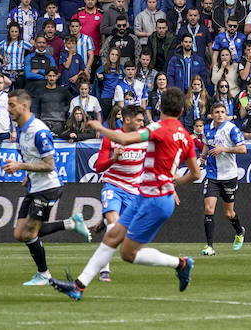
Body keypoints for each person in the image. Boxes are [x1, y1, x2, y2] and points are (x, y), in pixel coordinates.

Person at [51, 88, 200, 299]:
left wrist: (99, 127)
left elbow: (125, 140)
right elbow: (195, 173)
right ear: (182, 110)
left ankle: (181, 263)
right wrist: (174, 181)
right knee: (112, 236)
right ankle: (79, 285)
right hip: (147, 196)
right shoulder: (186, 137)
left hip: (153, 199)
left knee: (127, 253)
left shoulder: (157, 128)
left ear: (159, 107)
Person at [4, 89, 90, 287]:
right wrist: (28, 175)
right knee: (20, 234)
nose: (8, 109)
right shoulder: (23, 130)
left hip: (48, 188)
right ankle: (70, 224)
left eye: (12, 105)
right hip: (35, 186)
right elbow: (33, 158)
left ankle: (44, 274)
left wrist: (21, 166)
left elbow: (49, 165)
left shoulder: (38, 131)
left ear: (24, 106)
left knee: (29, 233)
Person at [89, 105, 147, 282]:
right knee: (113, 226)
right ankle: (104, 270)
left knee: (126, 235)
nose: (142, 123)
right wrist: (113, 158)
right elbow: (98, 167)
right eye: (139, 120)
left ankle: (104, 219)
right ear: (127, 120)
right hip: (112, 185)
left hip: (134, 190)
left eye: (143, 121)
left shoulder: (145, 138)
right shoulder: (111, 139)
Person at [200, 102, 247, 257]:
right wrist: (203, 155)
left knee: (229, 213)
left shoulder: (232, 129)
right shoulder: (207, 129)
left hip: (228, 176)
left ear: (226, 114)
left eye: (222, 112)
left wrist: (224, 149)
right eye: (217, 112)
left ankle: (239, 231)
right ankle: (209, 246)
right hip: (212, 175)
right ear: (212, 114)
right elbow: (207, 145)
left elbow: (243, 149)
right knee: (209, 209)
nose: (220, 114)